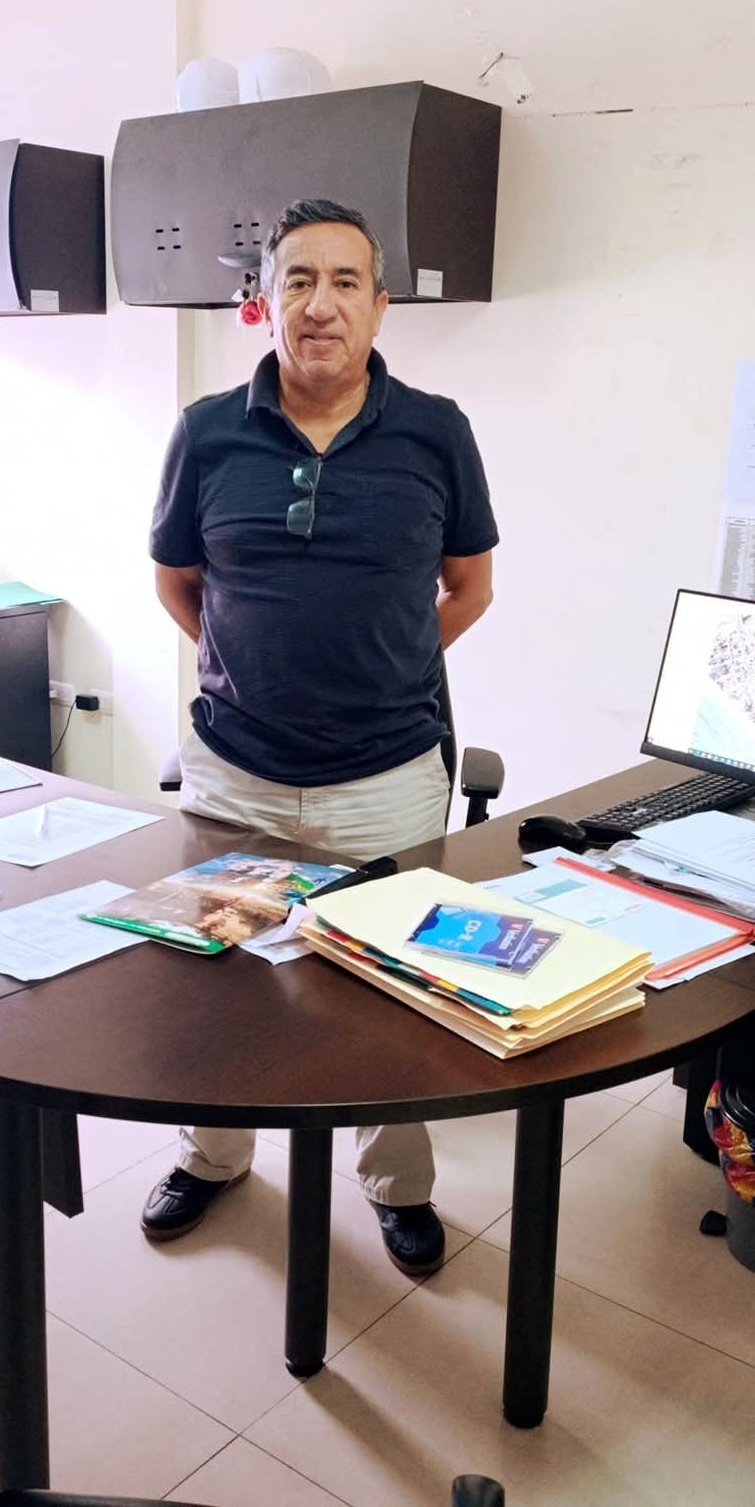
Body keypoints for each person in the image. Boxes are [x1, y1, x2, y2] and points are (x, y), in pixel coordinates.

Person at [143, 197, 498, 1275]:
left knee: (391, 984)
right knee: (220, 974)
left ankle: (396, 1183)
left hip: (386, 776)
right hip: (233, 770)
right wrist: (253, 672)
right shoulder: (206, 431)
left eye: (345, 282)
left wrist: (381, 666)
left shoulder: (436, 431)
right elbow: (177, 582)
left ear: (380, 307)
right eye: (297, 280)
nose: (320, 304)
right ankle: (212, 1154)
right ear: (264, 302)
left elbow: (469, 588)